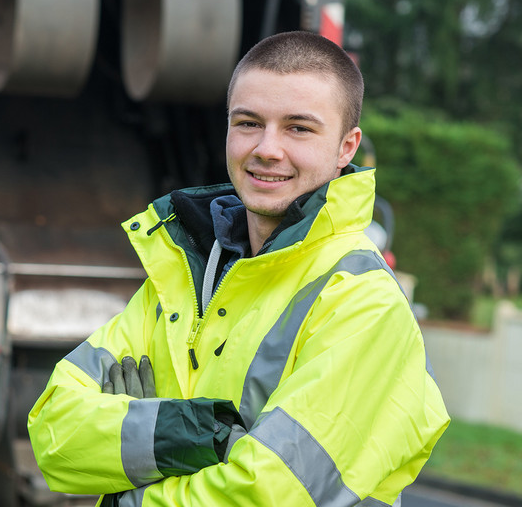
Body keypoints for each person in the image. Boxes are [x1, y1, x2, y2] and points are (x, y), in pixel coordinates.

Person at [28, 31, 449, 506]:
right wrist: (188, 432)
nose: (267, 149)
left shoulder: (363, 302)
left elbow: (267, 494)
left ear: (346, 147)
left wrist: (128, 484)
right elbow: (53, 436)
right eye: (249, 123)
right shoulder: (186, 275)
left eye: (299, 128)